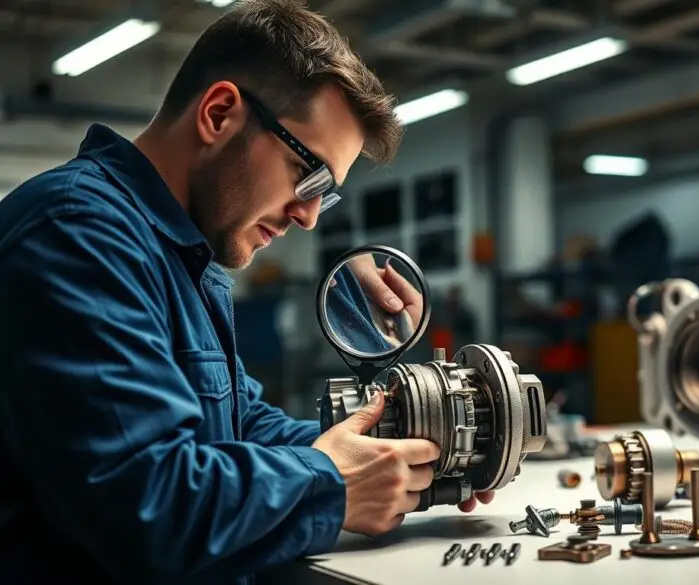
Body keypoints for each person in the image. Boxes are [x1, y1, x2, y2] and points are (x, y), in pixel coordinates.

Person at [0, 1, 492, 584]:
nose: (309, 217)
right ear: (218, 113)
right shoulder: (78, 233)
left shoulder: (183, 253)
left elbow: (240, 427)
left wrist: (395, 445)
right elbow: (146, 507)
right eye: (307, 174)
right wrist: (331, 483)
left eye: (325, 193)